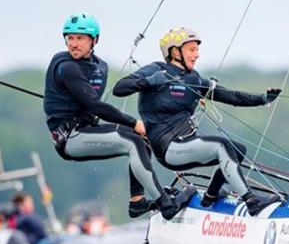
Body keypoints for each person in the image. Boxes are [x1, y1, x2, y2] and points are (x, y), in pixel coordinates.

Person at [112, 27, 281, 215]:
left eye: (197, 50)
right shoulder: (156, 69)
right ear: (175, 51)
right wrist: (149, 81)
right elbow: (119, 88)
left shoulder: (194, 79)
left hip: (187, 144)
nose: (197, 55)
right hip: (168, 148)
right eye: (191, 49)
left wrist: (262, 99)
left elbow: (230, 96)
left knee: (237, 149)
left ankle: (210, 196)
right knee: (222, 146)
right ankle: (252, 201)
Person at [44, 13, 195, 220]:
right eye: (70, 38)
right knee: (133, 141)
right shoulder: (66, 66)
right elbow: (95, 105)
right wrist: (134, 123)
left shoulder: (101, 67)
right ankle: (165, 204)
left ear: (94, 40)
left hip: (86, 129)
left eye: (80, 38)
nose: (74, 43)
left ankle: (137, 202)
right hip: (69, 138)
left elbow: (88, 106)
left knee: (142, 139)